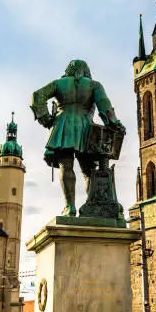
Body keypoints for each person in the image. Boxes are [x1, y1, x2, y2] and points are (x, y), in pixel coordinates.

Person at [30, 60, 125, 217]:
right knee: (89, 172)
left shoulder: (59, 83)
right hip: (87, 129)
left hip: (62, 127)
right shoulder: (94, 85)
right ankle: (91, 206)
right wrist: (115, 124)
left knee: (65, 166)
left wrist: (46, 119)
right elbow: (105, 107)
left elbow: (37, 96)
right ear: (86, 71)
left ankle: (70, 207)